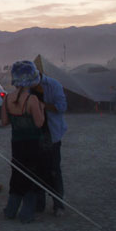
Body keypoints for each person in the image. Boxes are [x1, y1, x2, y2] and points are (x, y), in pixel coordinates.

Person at [1, 61, 46, 223]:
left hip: (17, 144)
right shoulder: (32, 99)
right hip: (33, 145)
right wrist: (41, 108)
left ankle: (10, 210)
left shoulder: (7, 98)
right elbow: (39, 123)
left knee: (17, 176)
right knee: (32, 177)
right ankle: (26, 214)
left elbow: (4, 121)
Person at [30, 70, 68, 217]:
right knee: (37, 170)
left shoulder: (53, 85)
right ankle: (39, 204)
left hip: (51, 133)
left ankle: (58, 204)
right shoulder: (27, 88)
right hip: (34, 135)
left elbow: (62, 107)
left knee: (54, 170)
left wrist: (41, 105)